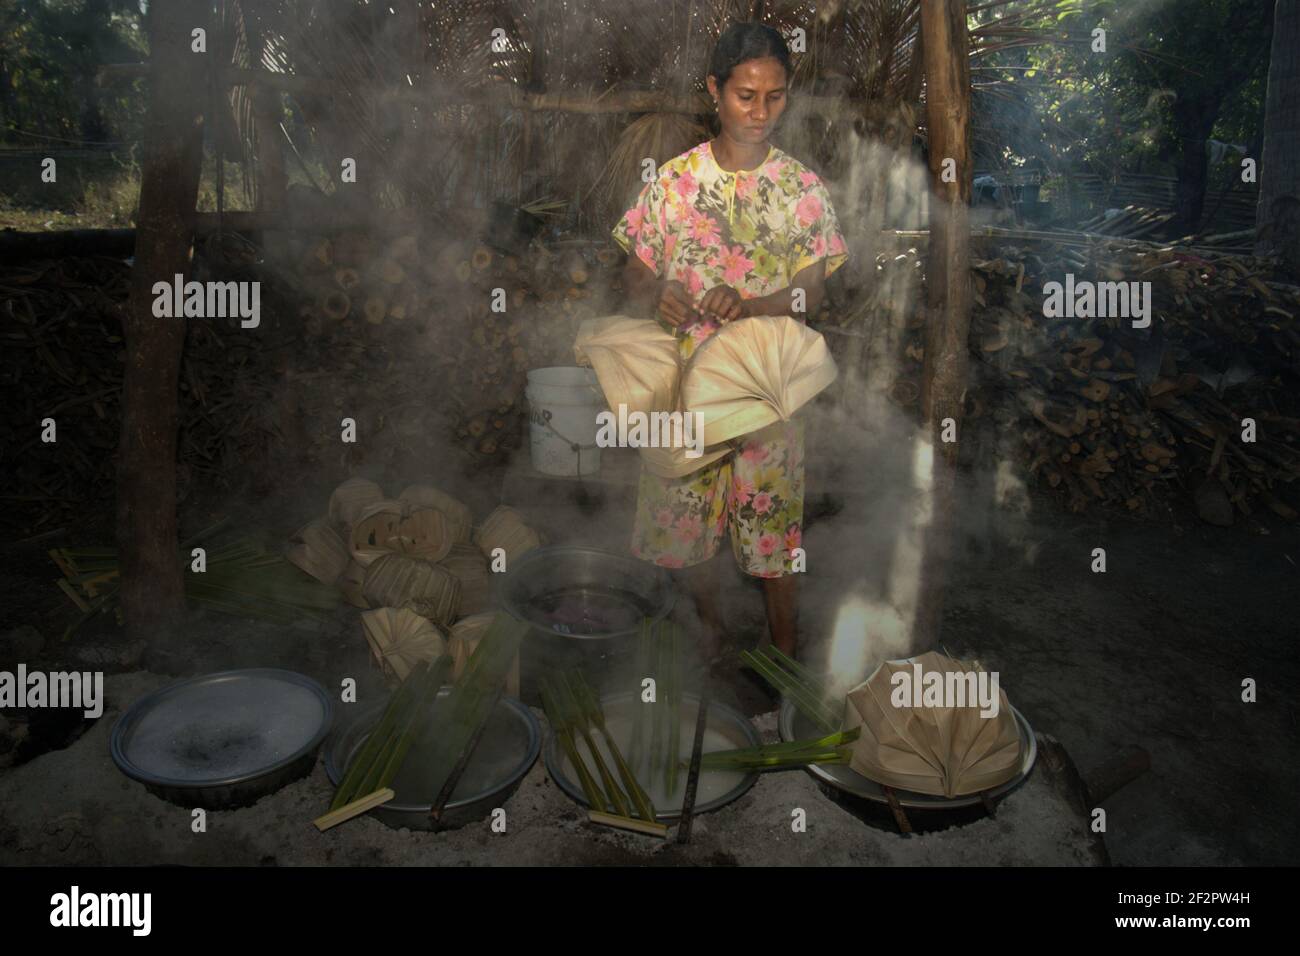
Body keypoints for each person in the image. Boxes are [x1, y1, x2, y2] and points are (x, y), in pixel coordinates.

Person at [611, 21, 848, 663]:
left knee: (773, 535)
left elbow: (811, 296)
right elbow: (634, 267)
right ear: (715, 90)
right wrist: (653, 289)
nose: (760, 112)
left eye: (774, 96)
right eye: (746, 95)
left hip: (768, 395)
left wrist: (753, 305)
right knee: (687, 525)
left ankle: (785, 662)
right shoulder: (673, 183)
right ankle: (711, 638)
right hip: (686, 390)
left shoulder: (801, 191)